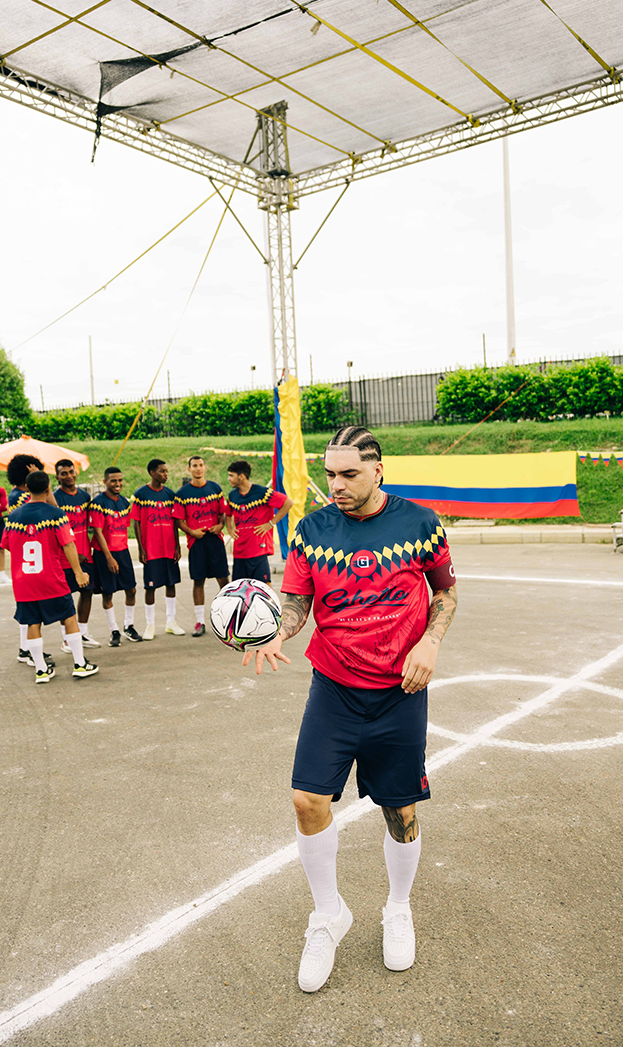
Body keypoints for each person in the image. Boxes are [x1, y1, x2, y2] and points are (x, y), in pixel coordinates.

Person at [243, 426, 458, 993]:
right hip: (334, 687)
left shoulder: (420, 524)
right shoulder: (311, 529)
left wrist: (429, 643)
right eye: (330, 474)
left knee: (400, 809)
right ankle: (328, 915)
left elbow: (445, 593)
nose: (334, 485)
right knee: (306, 798)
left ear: (378, 470)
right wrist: (276, 632)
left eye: (348, 475)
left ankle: (397, 907)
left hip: (401, 691)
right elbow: (297, 601)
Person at [0, 470, 99, 683]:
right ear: (48, 488)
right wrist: (78, 572)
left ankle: (41, 670)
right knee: (69, 617)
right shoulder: (56, 514)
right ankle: (80, 664)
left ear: (26, 488)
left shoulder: (14, 515)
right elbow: (68, 544)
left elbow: (7, 544)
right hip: (51, 578)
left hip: (24, 581)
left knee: (32, 623)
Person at [6, 453, 56, 666]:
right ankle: (26, 649)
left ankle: (25, 648)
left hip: (25, 553)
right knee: (30, 607)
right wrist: (44, 481)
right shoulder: (22, 496)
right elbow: (55, 508)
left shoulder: (15, 493)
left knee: (27, 605)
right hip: (32, 555)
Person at [172, 455, 229, 637]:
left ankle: (228, 618)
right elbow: (178, 520)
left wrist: (220, 525)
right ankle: (200, 622)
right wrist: (191, 531)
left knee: (224, 580)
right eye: (194, 466)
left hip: (215, 540)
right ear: (189, 469)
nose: (198, 468)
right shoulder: (182, 494)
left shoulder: (215, 488)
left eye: (201, 465)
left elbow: (223, 513)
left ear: (205, 468)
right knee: (198, 581)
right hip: (196, 542)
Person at [132, 459, 184, 639]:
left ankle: (171, 622)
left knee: (171, 584)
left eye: (166, 471)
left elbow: (176, 521)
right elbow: (136, 522)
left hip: (169, 547)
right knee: (150, 587)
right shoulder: (141, 494)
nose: (166, 474)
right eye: (162, 471)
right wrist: (141, 548)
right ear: (152, 473)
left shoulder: (170, 494)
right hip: (151, 549)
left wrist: (177, 545)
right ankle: (150, 625)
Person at [89, 466, 141, 646]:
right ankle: (114, 630)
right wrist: (109, 557)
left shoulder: (125, 502)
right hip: (105, 554)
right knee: (108, 593)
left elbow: (125, 527)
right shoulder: (98, 503)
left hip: (123, 551)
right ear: (105, 482)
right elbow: (97, 531)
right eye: (113, 481)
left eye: (120, 480)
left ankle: (129, 626)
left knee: (131, 589)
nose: (117, 484)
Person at [53, 459, 101, 650]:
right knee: (66, 597)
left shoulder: (84, 496)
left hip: (85, 553)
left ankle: (83, 633)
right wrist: (72, 554)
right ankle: (67, 638)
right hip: (64, 558)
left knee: (87, 592)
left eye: (71, 472)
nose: (69, 476)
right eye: (63, 473)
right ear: (57, 477)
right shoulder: (55, 499)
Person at [224, 460, 293, 584]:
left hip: (258, 549)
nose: (228, 479)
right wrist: (229, 528)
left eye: (231, 475)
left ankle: (271, 604)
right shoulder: (232, 495)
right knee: (240, 587)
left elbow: (288, 503)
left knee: (264, 587)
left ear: (241, 476)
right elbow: (228, 514)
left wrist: (271, 523)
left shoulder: (263, 493)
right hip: (239, 551)